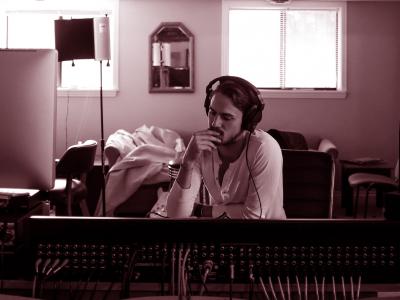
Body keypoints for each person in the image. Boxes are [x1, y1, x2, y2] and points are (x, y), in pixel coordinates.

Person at [166, 75, 286, 219]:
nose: (215, 123)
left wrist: (203, 211)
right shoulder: (203, 147)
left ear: (247, 120)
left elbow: (253, 217)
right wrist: (188, 163)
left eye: (227, 117)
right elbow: (176, 215)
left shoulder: (264, 148)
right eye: (212, 112)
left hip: (267, 239)